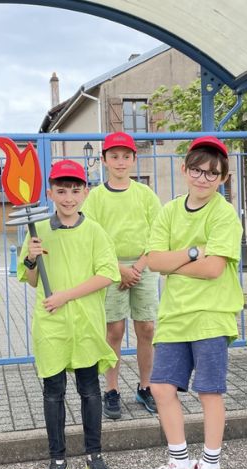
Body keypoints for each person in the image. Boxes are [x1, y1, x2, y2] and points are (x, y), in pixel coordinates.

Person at [136, 136, 243, 469]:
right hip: (174, 315)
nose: (203, 178)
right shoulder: (168, 211)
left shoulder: (224, 213)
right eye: (197, 170)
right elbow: (154, 261)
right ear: (185, 169)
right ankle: (180, 464)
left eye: (212, 173)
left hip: (211, 316)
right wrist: (194, 251)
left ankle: (210, 468)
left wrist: (175, 261)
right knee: (162, 388)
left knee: (209, 391)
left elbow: (215, 269)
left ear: (223, 178)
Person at [17, 159, 121, 469]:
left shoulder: (95, 231)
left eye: (75, 190)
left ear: (85, 192)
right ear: (50, 193)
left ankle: (94, 454)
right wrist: (32, 259)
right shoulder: (37, 231)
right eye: (61, 191)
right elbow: (32, 281)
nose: (68, 197)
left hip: (86, 324)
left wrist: (65, 296)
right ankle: (58, 461)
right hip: (51, 326)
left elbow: (107, 274)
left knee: (90, 391)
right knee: (53, 393)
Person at [80, 131, 163, 419]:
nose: (120, 161)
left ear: (134, 160)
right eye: (114, 156)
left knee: (147, 328)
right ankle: (112, 389)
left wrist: (138, 267)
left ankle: (145, 386)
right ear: (103, 160)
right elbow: (92, 239)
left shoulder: (146, 195)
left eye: (126, 156)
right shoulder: (95, 198)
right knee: (114, 331)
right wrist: (118, 269)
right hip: (110, 269)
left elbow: (158, 235)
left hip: (144, 266)